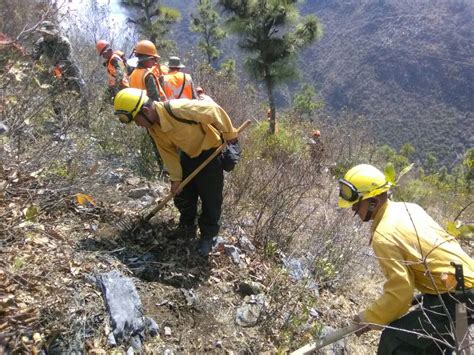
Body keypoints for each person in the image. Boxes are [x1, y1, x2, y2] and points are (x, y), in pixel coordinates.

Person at [338, 164, 474, 354]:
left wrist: (369, 317)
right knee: (434, 346)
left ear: (373, 202)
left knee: (393, 341)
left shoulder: (384, 235)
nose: (353, 210)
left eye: (356, 204)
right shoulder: (408, 208)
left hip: (460, 298)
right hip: (458, 287)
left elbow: (401, 293)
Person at [113, 88, 239, 255]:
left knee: (211, 199)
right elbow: (168, 153)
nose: (137, 124)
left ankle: (208, 236)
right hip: (188, 155)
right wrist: (176, 179)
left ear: (145, 111)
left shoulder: (178, 109)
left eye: (137, 120)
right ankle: (187, 227)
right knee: (182, 195)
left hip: (210, 153)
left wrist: (230, 133)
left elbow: (213, 110)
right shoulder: (153, 128)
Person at [32, 21, 84, 95]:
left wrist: (55, 69)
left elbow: (67, 61)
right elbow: (34, 56)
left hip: (70, 71)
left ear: (52, 33)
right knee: (53, 93)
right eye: (43, 34)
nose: (44, 36)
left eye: (46, 34)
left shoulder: (64, 42)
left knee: (79, 92)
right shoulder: (41, 42)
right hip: (55, 73)